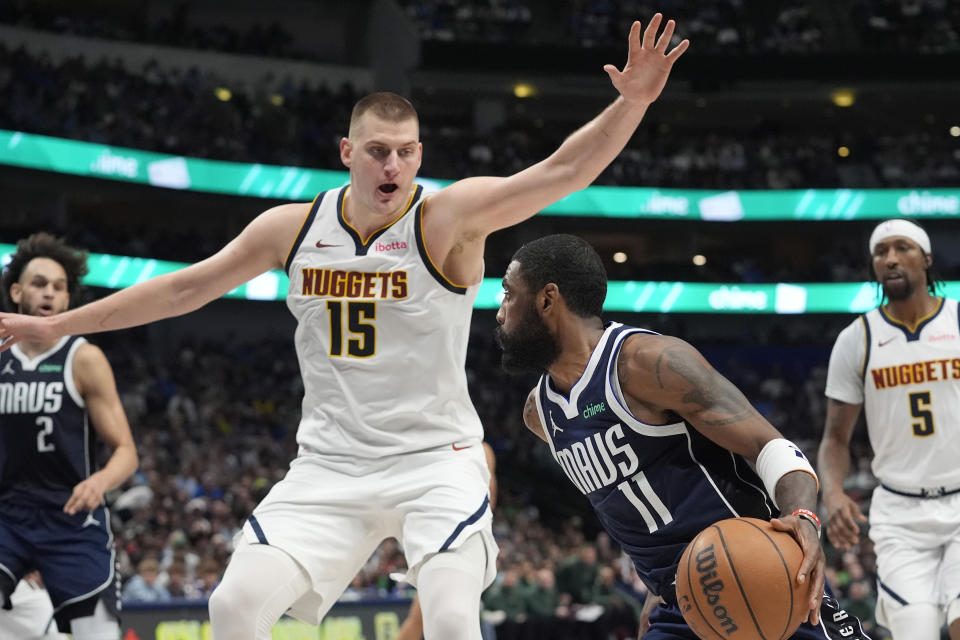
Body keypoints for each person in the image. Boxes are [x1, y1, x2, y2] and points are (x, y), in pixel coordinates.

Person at [0, 14, 688, 640]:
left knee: (450, 620)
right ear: (346, 152)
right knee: (230, 608)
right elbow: (184, 288)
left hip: (435, 461)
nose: (393, 166)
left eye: (407, 152)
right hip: (329, 466)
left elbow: (562, 171)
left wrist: (633, 101)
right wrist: (56, 326)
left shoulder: (444, 220)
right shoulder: (292, 229)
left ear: (420, 155)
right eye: (378, 151)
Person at [494, 234, 871, 640]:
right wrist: (656, 589)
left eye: (508, 295)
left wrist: (803, 516)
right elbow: (628, 507)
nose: (499, 313)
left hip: (757, 572)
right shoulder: (540, 414)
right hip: (684, 606)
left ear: (548, 299)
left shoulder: (647, 364)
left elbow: (770, 445)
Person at [818, 218, 960, 640]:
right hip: (899, 513)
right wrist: (833, 492)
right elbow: (835, 438)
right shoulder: (858, 337)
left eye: (903, 248)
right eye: (881, 252)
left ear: (927, 258)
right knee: (914, 632)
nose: (891, 259)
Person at [0, 232, 138, 639]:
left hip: (71, 520)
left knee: (96, 633)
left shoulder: (83, 359)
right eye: (40, 284)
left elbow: (126, 452)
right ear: (16, 291)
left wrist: (99, 481)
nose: (49, 294)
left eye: (59, 288)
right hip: (7, 515)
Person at [396, 442, 497, 640]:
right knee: (440, 619)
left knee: (427, 620)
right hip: (448, 539)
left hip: (457, 539)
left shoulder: (479, 449)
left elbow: (488, 499)